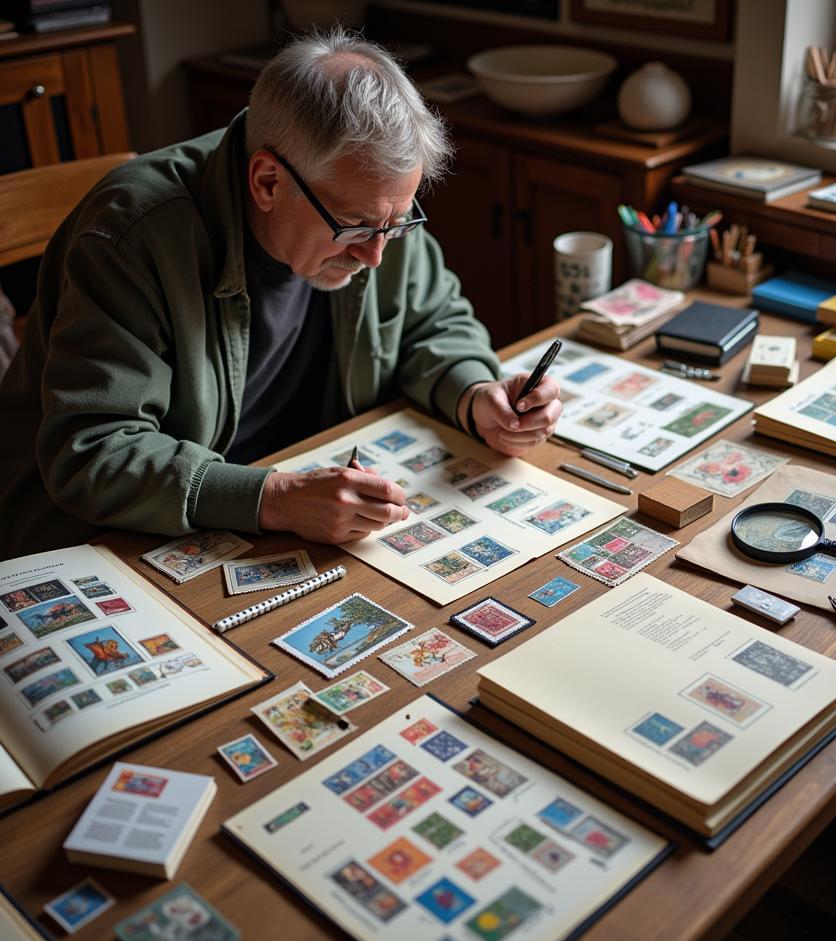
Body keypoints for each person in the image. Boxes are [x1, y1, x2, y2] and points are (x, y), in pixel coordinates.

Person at [0, 27, 562, 559]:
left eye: (395, 225)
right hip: (113, 537)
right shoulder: (132, 236)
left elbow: (435, 323)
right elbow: (93, 451)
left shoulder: (374, 208)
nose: (377, 255)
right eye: (357, 226)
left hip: (295, 498)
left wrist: (474, 394)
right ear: (267, 181)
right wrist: (274, 497)